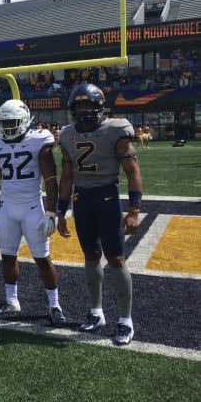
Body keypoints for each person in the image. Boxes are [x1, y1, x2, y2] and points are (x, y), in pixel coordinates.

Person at [57, 83, 143, 346]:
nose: (83, 110)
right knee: (90, 256)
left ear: (99, 107)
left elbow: (133, 171)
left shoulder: (115, 130)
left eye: (87, 105)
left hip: (107, 197)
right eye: (79, 105)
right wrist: (61, 212)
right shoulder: (67, 134)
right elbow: (67, 176)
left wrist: (134, 209)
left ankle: (125, 320)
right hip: (82, 200)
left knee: (116, 258)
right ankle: (96, 313)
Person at [0, 99, 66, 325]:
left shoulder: (39, 140)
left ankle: (54, 304)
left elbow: (50, 179)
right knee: (7, 256)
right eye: (4, 122)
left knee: (42, 258)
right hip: (7, 208)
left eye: (13, 122)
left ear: (25, 121)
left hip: (32, 208)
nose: (8, 126)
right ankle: (11, 300)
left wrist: (51, 211)